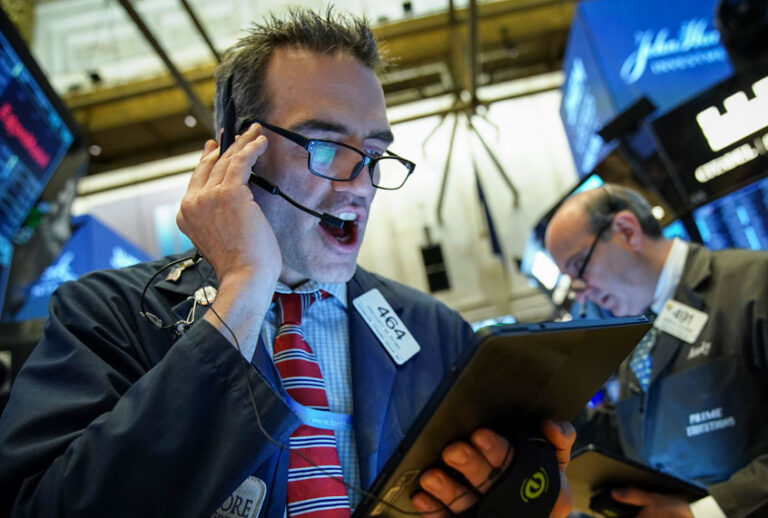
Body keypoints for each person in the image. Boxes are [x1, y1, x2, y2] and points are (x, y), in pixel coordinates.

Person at [0, 8, 575, 518]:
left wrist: (524, 486)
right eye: (325, 146)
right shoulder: (109, 315)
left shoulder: (434, 333)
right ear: (234, 151)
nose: (360, 187)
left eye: (374, 154)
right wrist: (245, 290)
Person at [545, 183, 768, 518]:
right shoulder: (637, 330)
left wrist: (701, 514)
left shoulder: (755, 284)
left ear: (626, 230)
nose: (582, 294)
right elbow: (636, 432)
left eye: (579, 267)